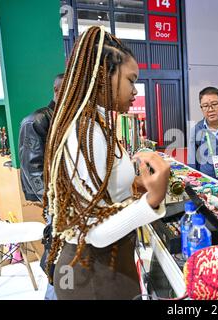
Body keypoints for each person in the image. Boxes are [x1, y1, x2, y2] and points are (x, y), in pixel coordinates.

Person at [43, 26, 170, 300]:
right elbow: (94, 233)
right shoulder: (85, 131)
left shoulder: (96, 124)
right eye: (131, 80)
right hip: (93, 277)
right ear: (103, 76)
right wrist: (153, 200)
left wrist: (132, 187)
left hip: (106, 269)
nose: (135, 91)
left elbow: (100, 194)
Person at [18, 73, 64, 300]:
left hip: (65, 202)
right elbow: (32, 168)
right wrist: (54, 202)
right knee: (60, 258)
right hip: (58, 205)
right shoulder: (37, 120)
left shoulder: (63, 118)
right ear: (57, 91)